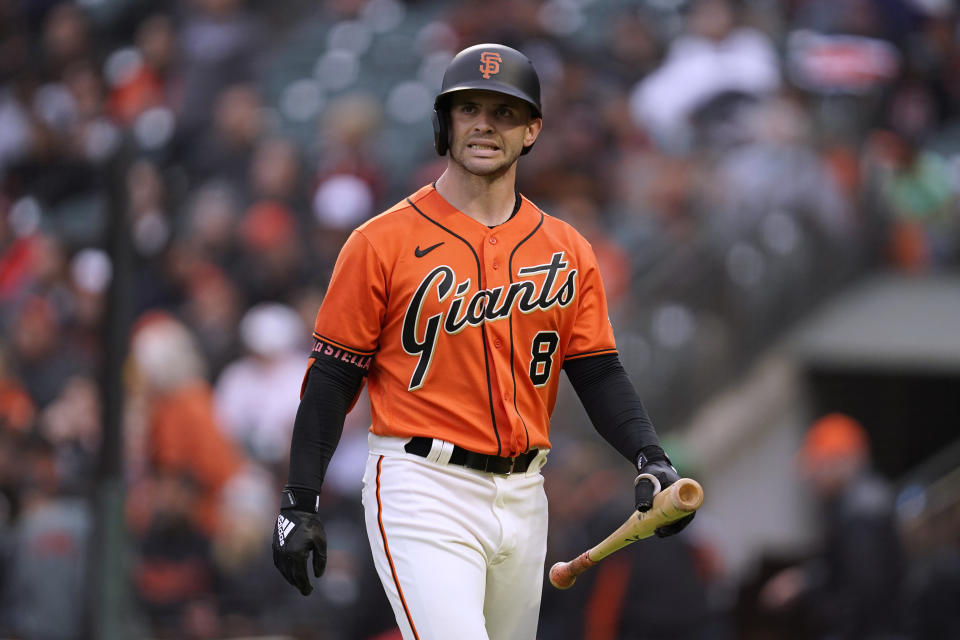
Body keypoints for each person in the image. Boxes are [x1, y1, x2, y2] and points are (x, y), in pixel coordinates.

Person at [271, 43, 694, 639]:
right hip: (422, 484)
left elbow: (598, 372)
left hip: (525, 492)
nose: (484, 125)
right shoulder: (379, 242)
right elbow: (332, 378)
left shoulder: (567, 249)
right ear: (444, 124)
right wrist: (299, 499)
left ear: (532, 130)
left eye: (504, 112)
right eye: (469, 108)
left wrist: (652, 458)